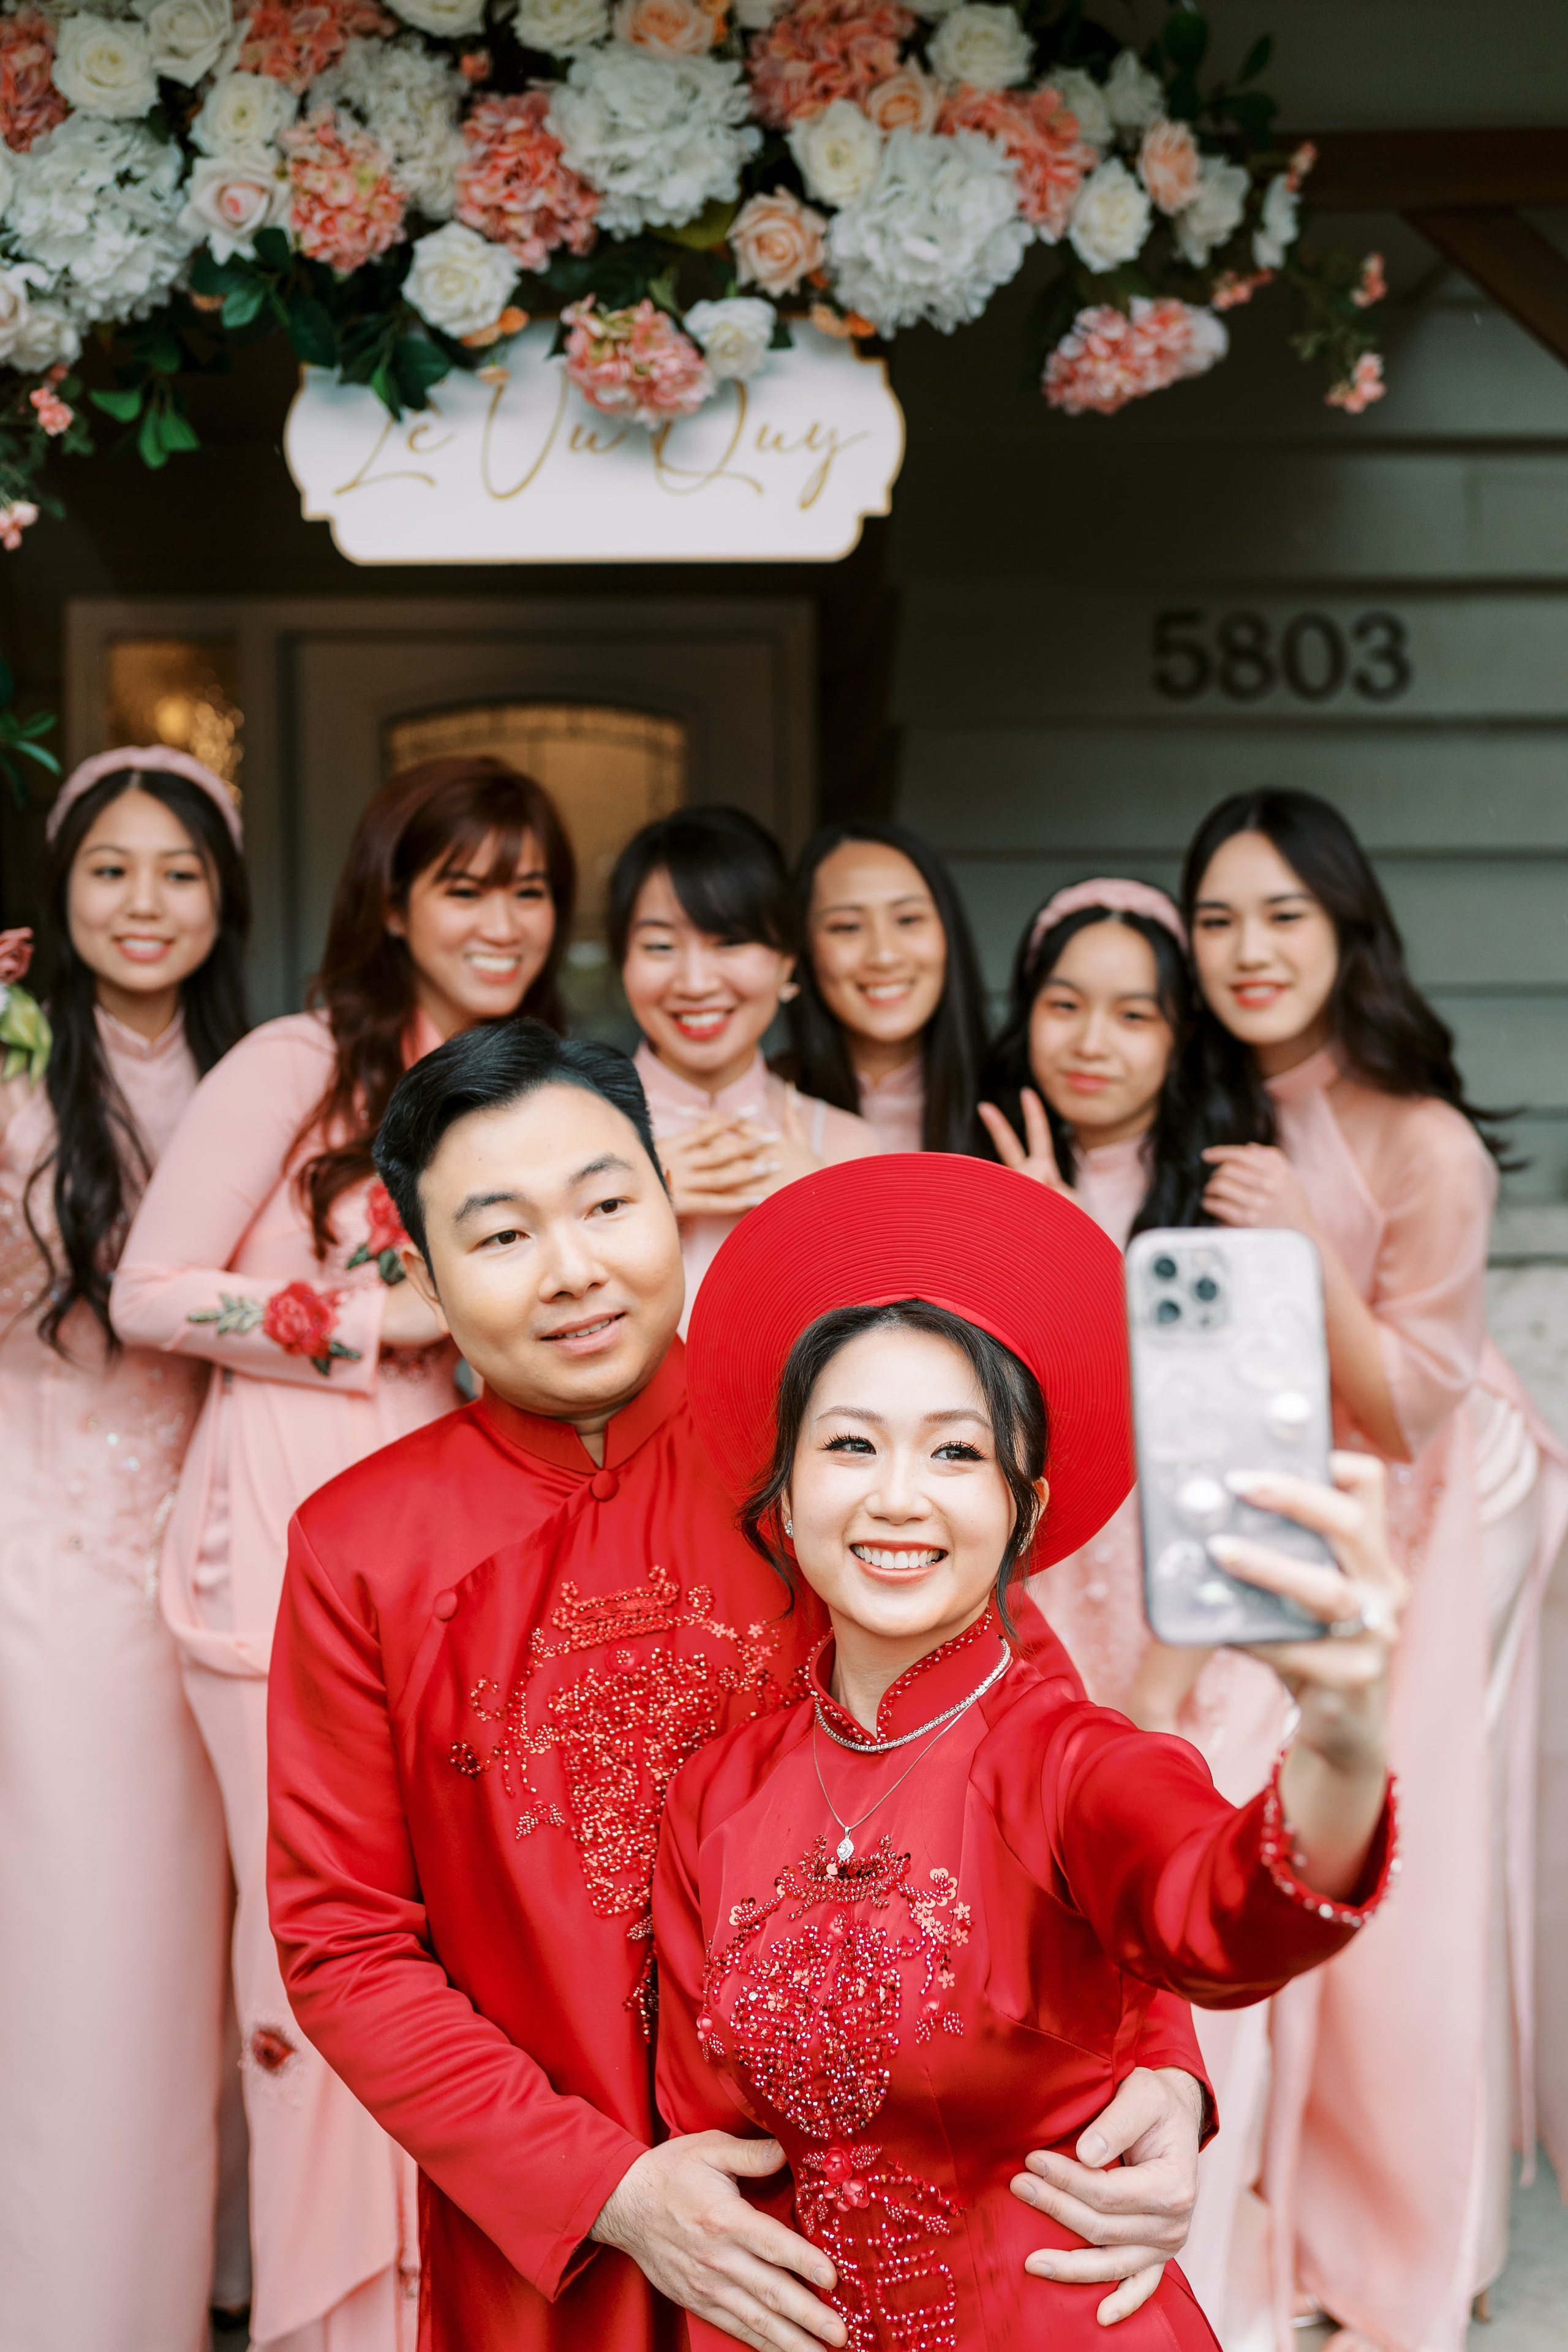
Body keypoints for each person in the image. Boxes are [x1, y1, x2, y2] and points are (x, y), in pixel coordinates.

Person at [266, 1020, 1216, 2352]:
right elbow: (344, 1945)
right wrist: (604, 2188)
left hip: (884, 2227)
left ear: (669, 1199)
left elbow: (1047, 1762)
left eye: (608, 1204)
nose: (575, 1271)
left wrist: (1161, 2069)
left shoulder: (824, 1455)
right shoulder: (359, 1548)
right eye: (500, 1237)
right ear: (418, 1270)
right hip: (559, 2251)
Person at [654, 1151, 1403, 2352]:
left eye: (954, 1453)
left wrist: (1340, 1730)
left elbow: (1221, 1911)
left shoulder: (1066, 1761)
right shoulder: (717, 1793)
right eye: (849, 1446)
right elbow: (706, 2147)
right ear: (783, 1502)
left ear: (1025, 1509)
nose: (898, 1497)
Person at [111, 757, 574, 2352]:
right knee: (313, 1957)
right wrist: (380, 1319)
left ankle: (438, 2301)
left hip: (477, 1564)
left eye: (529, 888)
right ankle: (322, 2316)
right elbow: (151, 1291)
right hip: (287, 1554)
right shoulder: (297, 1062)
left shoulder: (537, 1090)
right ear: (393, 902)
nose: (503, 920)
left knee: (461, 1955)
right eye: (466, 886)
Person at [1179, 788, 1568, 2352]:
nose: (1247, 948)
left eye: (1282, 913)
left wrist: (1299, 1257)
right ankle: (1272, 2199)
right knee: (1276, 1831)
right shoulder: (1202, 1098)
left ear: (1345, 929)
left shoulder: (1419, 1137)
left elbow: (1414, 1392)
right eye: (1214, 917)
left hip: (1448, 1499)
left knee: (1407, 1869)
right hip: (1302, 1482)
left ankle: (1419, 2225)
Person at [0, 748, 248, 2352]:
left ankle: (230, 2284)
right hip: (50, 1561)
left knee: (235, 1970)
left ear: (224, 899)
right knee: (90, 1957)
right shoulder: (16, 1074)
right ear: (61, 892)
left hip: (232, 1555)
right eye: (111, 871)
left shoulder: (270, 1077)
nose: (143, 904)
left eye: (178, 872)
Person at [611, 806, 879, 1331]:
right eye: (660, 946)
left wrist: (824, 1215)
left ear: (786, 961)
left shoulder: (850, 1146)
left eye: (729, 942)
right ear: (625, 961)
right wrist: (620, 1203)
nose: (694, 982)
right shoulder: (563, 1134)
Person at [786, 820, 990, 1153]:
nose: (884, 956)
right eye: (847, 927)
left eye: (909, 920)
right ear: (802, 951)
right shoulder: (765, 1109)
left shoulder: (1022, 1113)